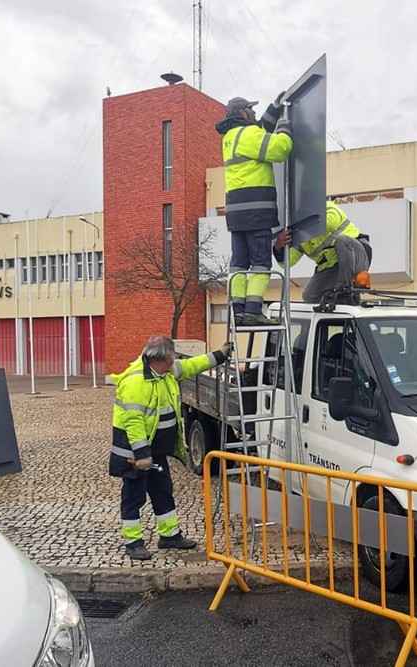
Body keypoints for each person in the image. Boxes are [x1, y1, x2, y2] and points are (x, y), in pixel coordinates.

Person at [108, 335, 232, 560]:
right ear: (164, 357)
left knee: (163, 491)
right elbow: (133, 422)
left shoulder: (164, 371)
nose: (175, 359)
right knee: (133, 497)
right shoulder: (136, 382)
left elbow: (191, 366)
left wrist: (218, 356)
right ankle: (133, 542)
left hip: (155, 451)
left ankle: (169, 535)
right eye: (173, 355)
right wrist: (142, 454)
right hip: (136, 455)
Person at [215, 94, 294, 325]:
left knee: (239, 262)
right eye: (251, 109)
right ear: (243, 113)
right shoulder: (249, 134)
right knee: (261, 262)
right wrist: (285, 127)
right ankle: (252, 310)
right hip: (256, 211)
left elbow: (261, 128)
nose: (254, 113)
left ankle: (238, 311)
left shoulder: (231, 137)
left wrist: (275, 108)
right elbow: (280, 149)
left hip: (237, 214)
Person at [273, 200, 372, 305]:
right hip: (333, 267)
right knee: (309, 296)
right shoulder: (299, 235)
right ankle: (343, 301)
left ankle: (345, 291)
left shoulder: (326, 207)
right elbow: (288, 262)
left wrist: (303, 228)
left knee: (341, 240)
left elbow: (330, 222)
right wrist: (278, 247)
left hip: (357, 255)